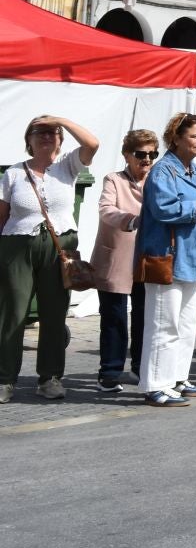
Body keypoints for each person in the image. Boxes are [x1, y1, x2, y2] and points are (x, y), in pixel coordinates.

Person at [0, 115, 102, 401]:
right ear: (28, 140)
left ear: (60, 139)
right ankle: (5, 378)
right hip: (17, 245)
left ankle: (50, 378)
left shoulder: (68, 165)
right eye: (39, 132)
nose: (46, 136)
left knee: (54, 314)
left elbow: (93, 143)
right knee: (13, 314)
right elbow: (2, 215)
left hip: (60, 247)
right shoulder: (14, 173)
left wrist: (59, 119)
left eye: (52, 132)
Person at [137, 112, 196, 407]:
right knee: (164, 324)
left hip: (192, 257)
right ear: (176, 138)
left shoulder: (194, 170)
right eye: (194, 136)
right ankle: (155, 384)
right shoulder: (164, 172)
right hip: (167, 257)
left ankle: (177, 377)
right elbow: (164, 209)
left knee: (187, 323)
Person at [92, 129, 155, 394]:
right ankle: (109, 372)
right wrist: (131, 220)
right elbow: (106, 209)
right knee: (114, 317)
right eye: (141, 154)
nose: (147, 160)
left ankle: (141, 369)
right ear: (127, 155)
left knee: (145, 316)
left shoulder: (157, 179)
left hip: (148, 259)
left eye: (153, 154)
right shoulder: (114, 179)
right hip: (115, 258)